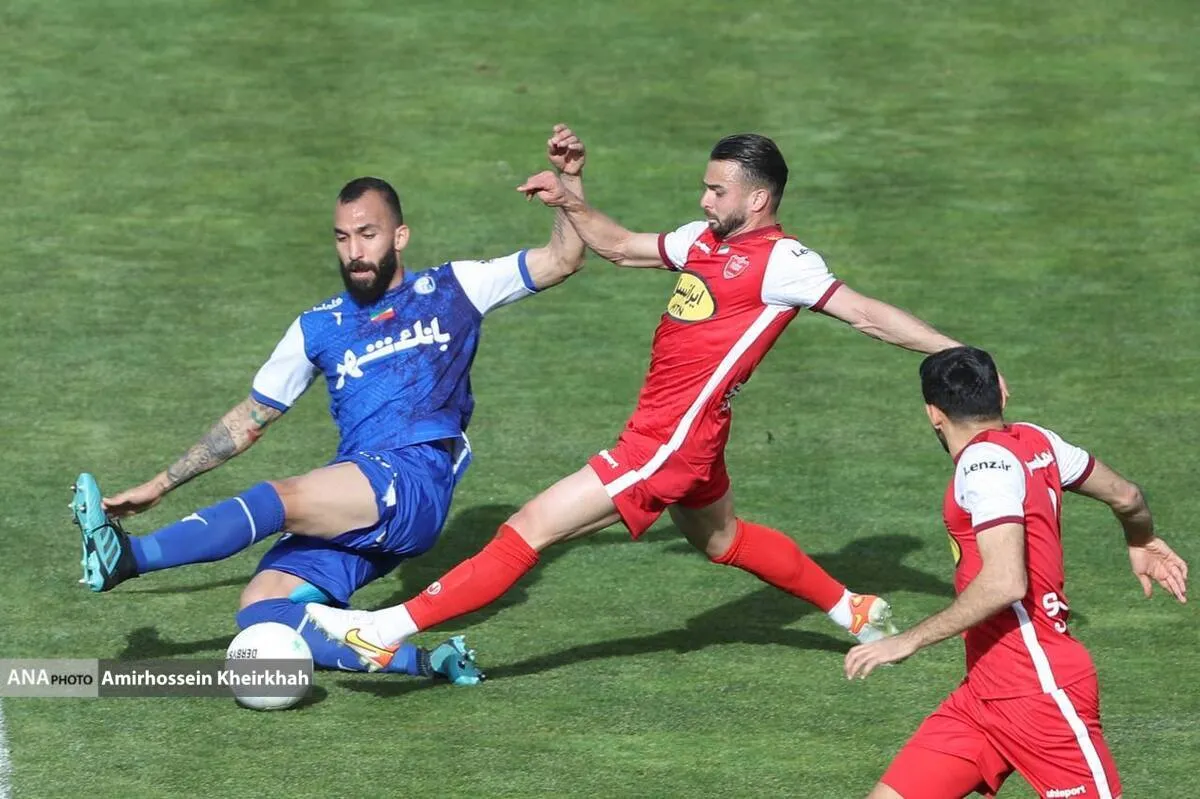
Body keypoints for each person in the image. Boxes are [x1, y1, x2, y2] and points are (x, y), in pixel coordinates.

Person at [307, 132, 994, 671]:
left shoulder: (784, 262)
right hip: (690, 435)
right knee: (722, 538)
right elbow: (620, 248)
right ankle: (852, 608)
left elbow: (867, 313)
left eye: (717, 190)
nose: (704, 199)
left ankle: (383, 629)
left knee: (532, 526)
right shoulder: (703, 240)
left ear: (758, 198)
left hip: (666, 444)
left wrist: (957, 352)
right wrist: (570, 194)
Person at [69, 124, 590, 684]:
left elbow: (563, 259)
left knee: (277, 499)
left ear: (400, 236)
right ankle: (428, 662)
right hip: (361, 496)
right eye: (342, 238)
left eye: (367, 235)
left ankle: (130, 558)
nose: (354, 252)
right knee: (261, 608)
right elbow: (251, 419)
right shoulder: (318, 326)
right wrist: (159, 485)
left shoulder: (454, 287)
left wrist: (569, 185)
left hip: (413, 480)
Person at [844, 346, 1188, 799]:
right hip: (982, 695)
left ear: (933, 413)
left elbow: (1005, 582)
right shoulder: (1037, 441)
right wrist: (1141, 539)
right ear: (1000, 396)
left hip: (1038, 691)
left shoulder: (982, 466)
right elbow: (1127, 496)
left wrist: (907, 640)